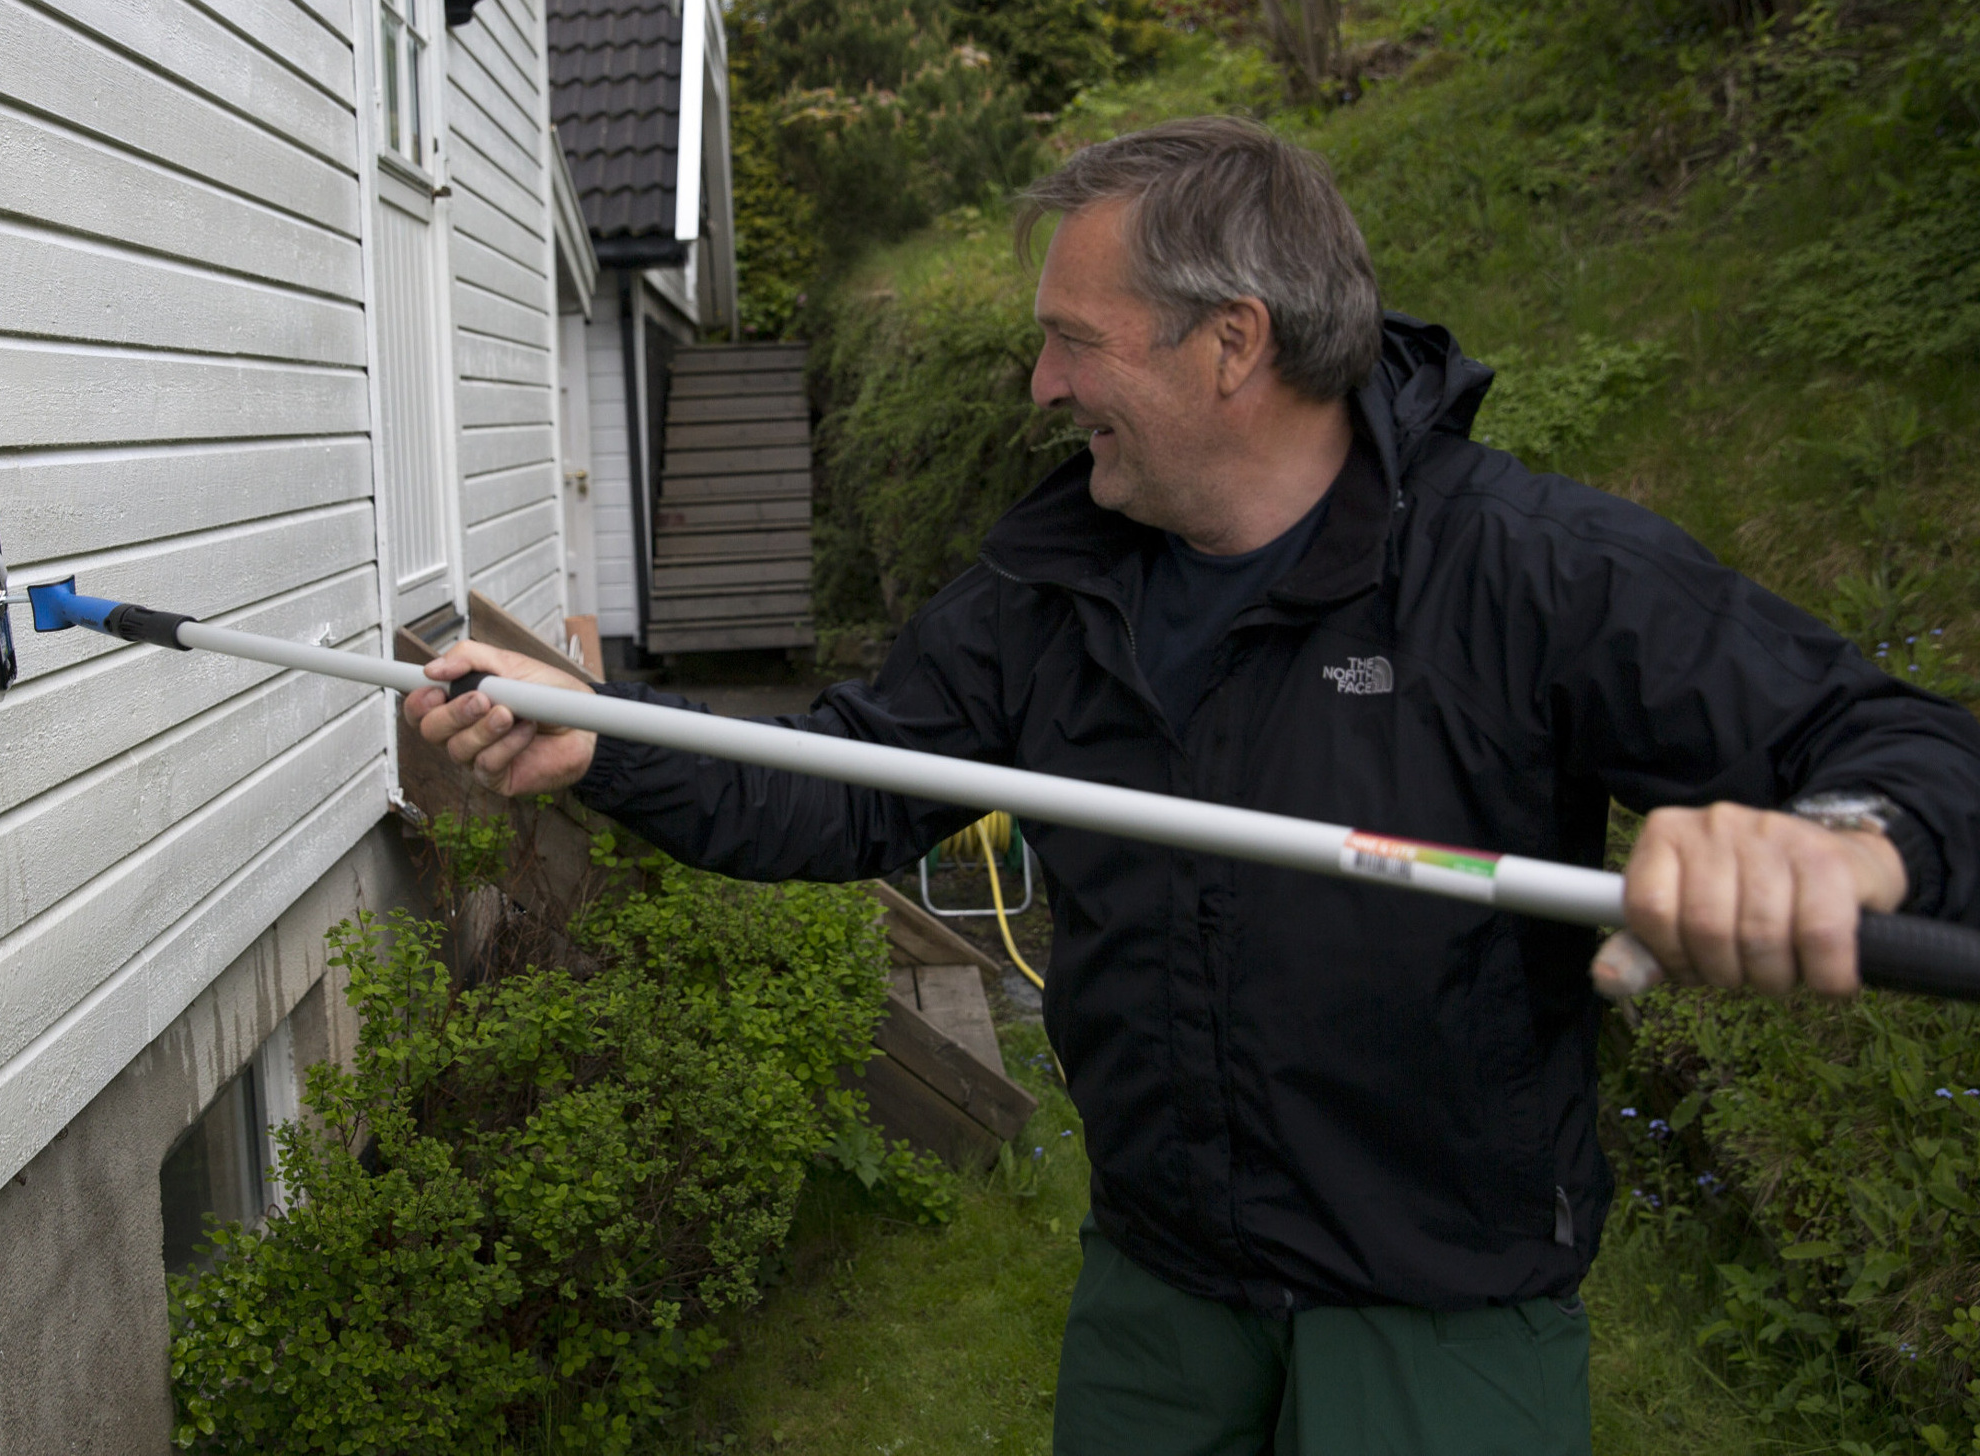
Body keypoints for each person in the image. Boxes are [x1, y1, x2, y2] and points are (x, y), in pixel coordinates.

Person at [404, 116, 1980, 1454]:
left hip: (1438, 1315)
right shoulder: (1052, 592)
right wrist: (607, 740)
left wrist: (1850, 847)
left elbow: (1913, 754)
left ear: (1235, 341)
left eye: (1072, 341)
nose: (1036, 385)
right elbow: (848, 790)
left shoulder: (1522, 571)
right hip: (1160, 1294)